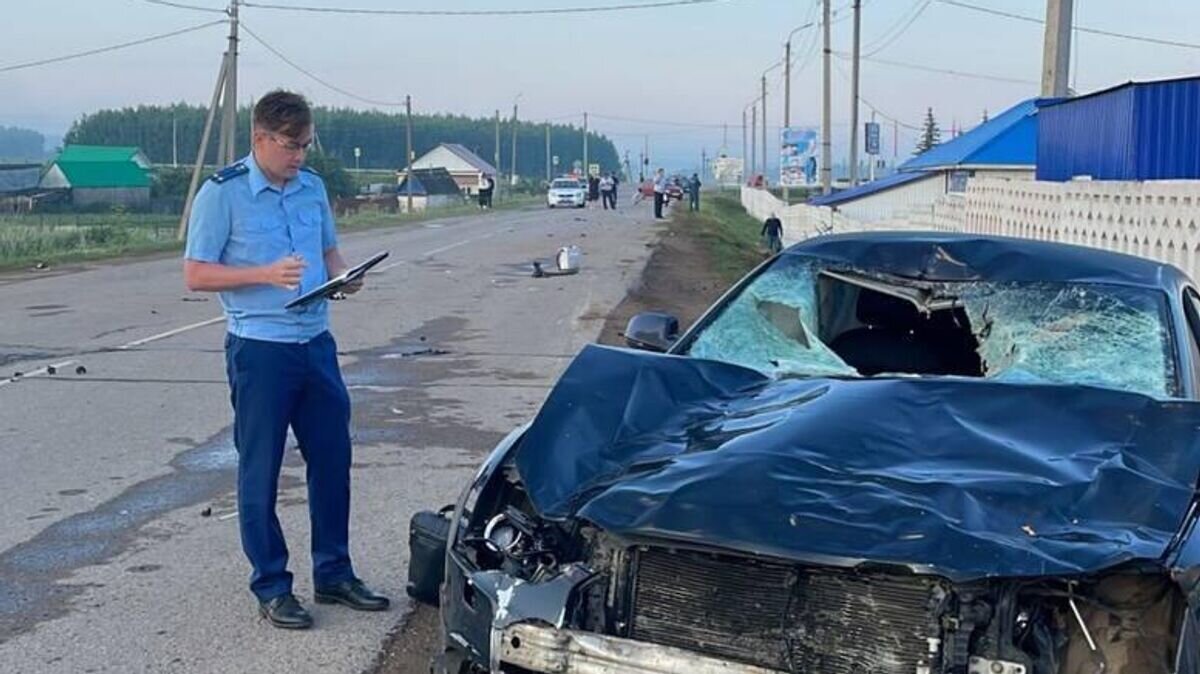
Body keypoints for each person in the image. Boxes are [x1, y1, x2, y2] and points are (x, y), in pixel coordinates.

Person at [183, 90, 389, 631]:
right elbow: (196, 273)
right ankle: (272, 585)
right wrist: (263, 274)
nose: (299, 155)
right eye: (291, 145)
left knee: (332, 460)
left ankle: (335, 572)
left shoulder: (313, 188)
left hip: (315, 343)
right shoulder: (221, 194)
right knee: (261, 469)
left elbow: (327, 253)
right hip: (261, 349)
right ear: (260, 139)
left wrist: (345, 277)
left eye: (306, 144)